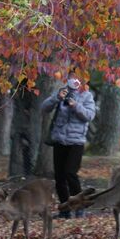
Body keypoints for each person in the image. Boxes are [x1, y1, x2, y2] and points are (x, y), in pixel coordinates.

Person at [41, 70, 95, 218]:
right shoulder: (62, 91)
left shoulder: (86, 95)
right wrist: (56, 99)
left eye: (77, 77)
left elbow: (89, 116)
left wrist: (75, 105)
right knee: (59, 177)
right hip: (59, 140)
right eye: (71, 77)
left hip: (76, 142)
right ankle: (65, 210)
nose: (73, 80)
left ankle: (80, 206)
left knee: (70, 173)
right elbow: (44, 108)